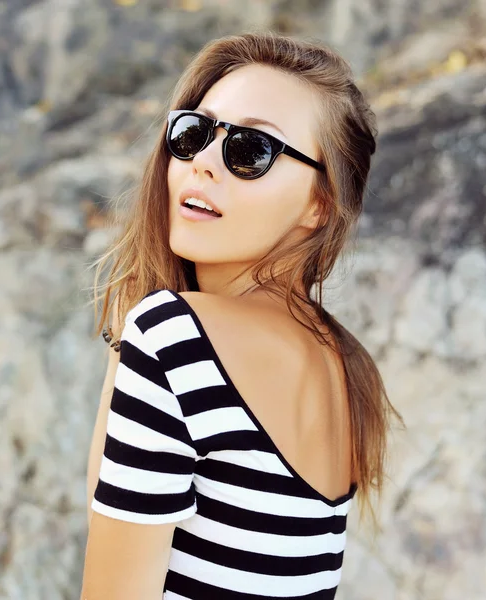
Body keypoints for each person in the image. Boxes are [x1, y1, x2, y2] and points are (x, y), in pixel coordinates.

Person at [81, 30, 402, 600]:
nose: (203, 162)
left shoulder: (172, 337)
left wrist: (143, 319)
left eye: (251, 149)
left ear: (319, 203)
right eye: (194, 132)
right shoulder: (345, 364)